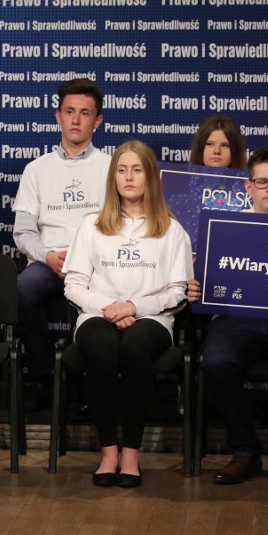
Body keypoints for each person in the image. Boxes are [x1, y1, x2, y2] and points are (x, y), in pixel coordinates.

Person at [63, 140, 193, 488]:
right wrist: (109, 308)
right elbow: (73, 285)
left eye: (137, 170)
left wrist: (134, 307)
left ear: (151, 176)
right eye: (122, 170)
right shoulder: (91, 225)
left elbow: (176, 292)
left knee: (135, 348)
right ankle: (108, 452)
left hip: (152, 319)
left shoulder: (171, 229)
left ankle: (131, 454)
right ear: (113, 177)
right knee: (103, 350)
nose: (129, 177)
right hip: (96, 316)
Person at [188, 147, 268, 488]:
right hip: (233, 319)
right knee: (215, 361)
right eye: (262, 181)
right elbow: (208, 282)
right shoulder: (224, 228)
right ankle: (245, 452)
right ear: (248, 186)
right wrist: (198, 290)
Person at [12, 78, 111, 379]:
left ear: (98, 121)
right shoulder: (36, 169)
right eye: (69, 111)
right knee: (24, 288)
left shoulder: (112, 167)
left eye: (85, 113)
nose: (76, 119)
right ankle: (46, 379)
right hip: (50, 262)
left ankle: (87, 384)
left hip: (99, 265)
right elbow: (24, 232)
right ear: (58, 116)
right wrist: (48, 255)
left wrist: (91, 260)